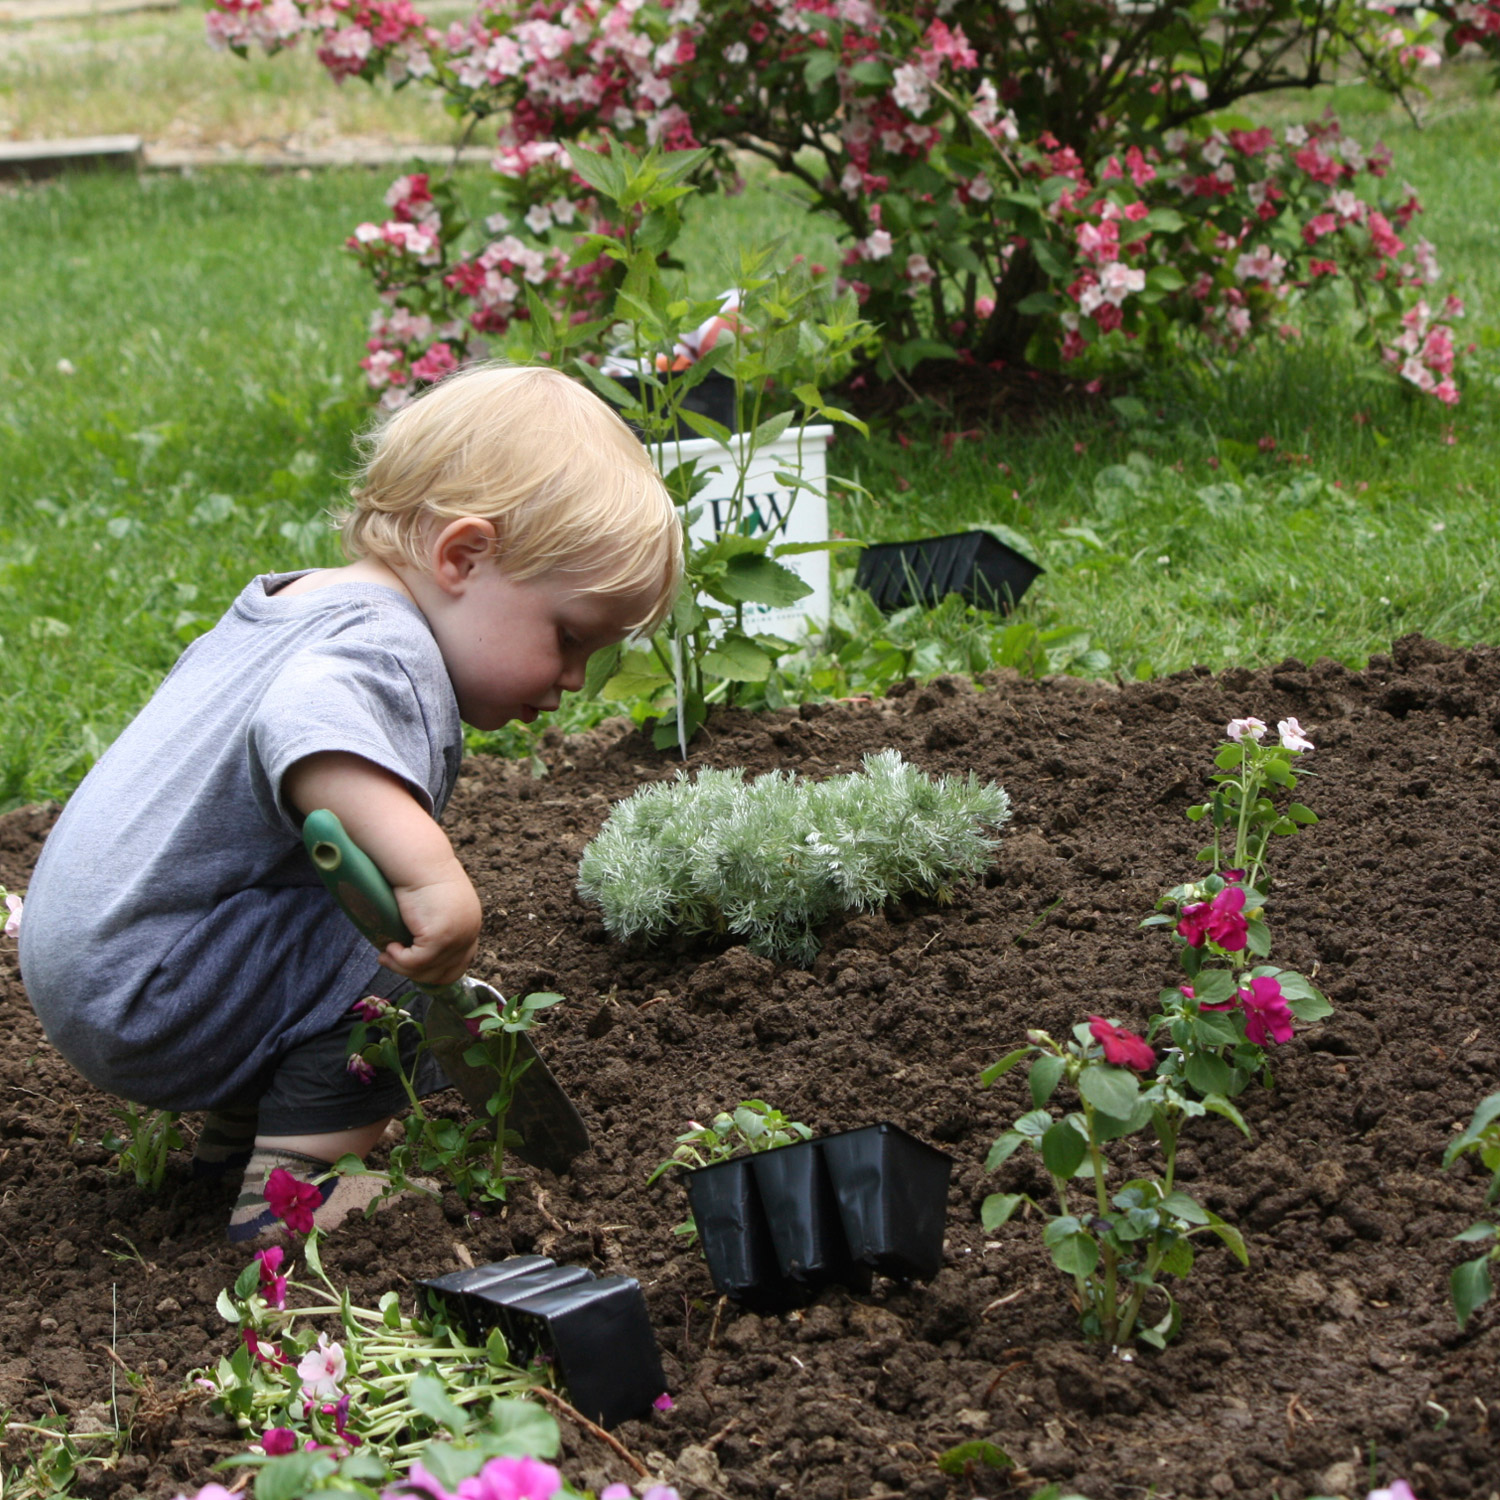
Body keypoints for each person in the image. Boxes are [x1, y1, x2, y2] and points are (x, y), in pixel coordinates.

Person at [18, 363, 682, 1241]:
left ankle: (241, 1140)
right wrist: (431, 872)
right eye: (568, 636)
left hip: (101, 958)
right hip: (153, 989)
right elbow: (303, 725)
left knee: (320, 913)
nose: (572, 680)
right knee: (394, 985)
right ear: (462, 556)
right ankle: (299, 1200)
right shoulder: (388, 642)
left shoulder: (301, 603)